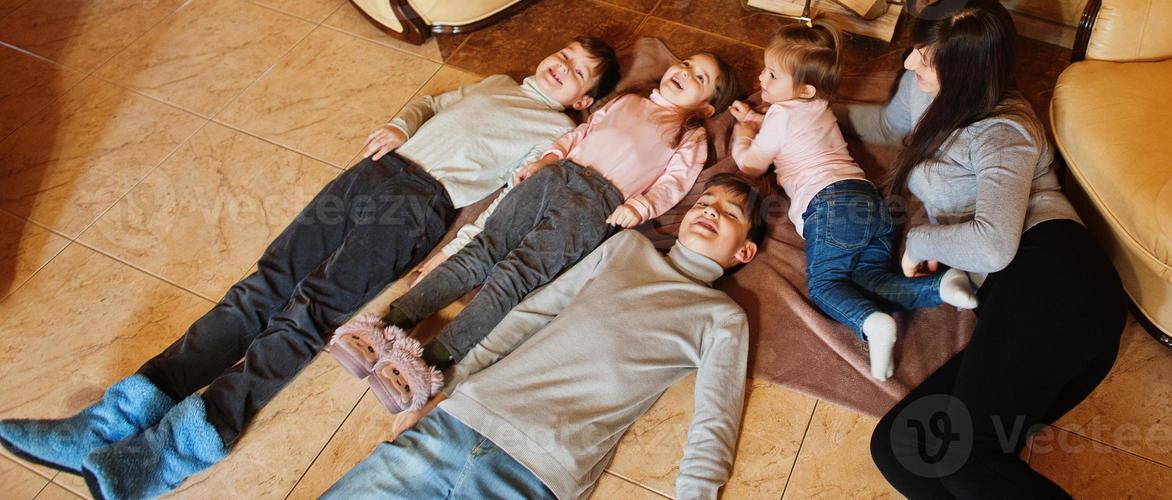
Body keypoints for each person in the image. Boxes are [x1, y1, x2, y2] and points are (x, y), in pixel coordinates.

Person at [0, 37, 619, 500]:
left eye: (579, 72)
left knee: (309, 310)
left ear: (583, 100)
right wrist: (400, 123)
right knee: (260, 287)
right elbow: (434, 101)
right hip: (373, 173)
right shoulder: (493, 82)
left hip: (420, 207)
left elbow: (523, 189)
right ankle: (110, 420)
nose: (561, 64)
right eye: (562, 53)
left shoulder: (556, 133)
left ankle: (176, 450)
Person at [334, 52, 741, 412]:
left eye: (699, 78)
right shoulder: (627, 101)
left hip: (598, 203)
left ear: (706, 107)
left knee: (516, 276)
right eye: (686, 63)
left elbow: (673, 184)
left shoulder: (690, 136)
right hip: (555, 176)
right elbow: (579, 134)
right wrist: (548, 158)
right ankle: (391, 322)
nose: (685, 72)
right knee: (481, 251)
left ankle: (431, 359)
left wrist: (640, 206)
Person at [324, 174, 765, 500]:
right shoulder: (626, 247)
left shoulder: (722, 318)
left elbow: (716, 416)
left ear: (744, 252)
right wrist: (447, 388)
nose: (710, 211)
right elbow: (532, 312)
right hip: (463, 419)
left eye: (730, 213)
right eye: (705, 202)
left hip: (541, 472)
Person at [849, 0, 1127, 498]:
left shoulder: (1004, 131)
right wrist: (799, 117)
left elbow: (996, 247)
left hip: (1056, 273)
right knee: (900, 448)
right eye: (916, 48)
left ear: (968, 72)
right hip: (1011, 301)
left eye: (924, 58)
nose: (909, 63)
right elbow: (885, 126)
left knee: (965, 457)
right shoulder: (921, 87)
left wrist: (920, 239)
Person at [730, 20, 976, 381]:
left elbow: (751, 166)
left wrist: (742, 134)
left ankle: (872, 325)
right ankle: (941, 287)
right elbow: (794, 128)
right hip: (870, 202)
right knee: (869, 280)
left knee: (825, 285)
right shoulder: (818, 104)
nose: (761, 79)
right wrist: (757, 118)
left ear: (803, 88)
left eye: (772, 75)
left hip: (829, 207)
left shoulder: (780, 114)